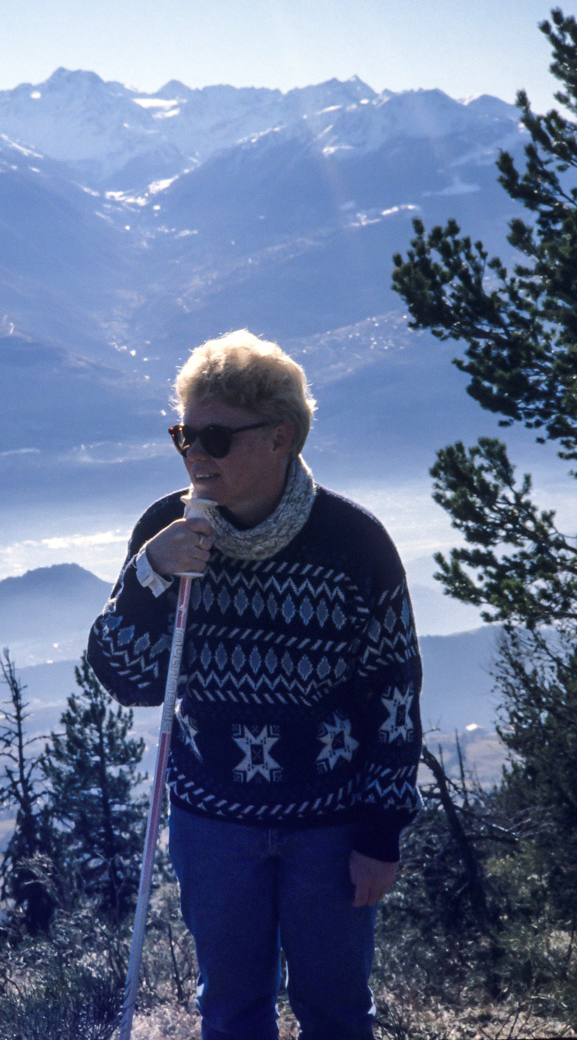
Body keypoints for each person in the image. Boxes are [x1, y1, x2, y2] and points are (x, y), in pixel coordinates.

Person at [87, 330, 422, 1040]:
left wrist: (381, 833)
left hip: (330, 827)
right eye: (183, 435)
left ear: (280, 439)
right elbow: (126, 680)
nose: (194, 455)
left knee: (336, 1013)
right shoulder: (168, 531)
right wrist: (149, 575)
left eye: (214, 437)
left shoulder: (355, 544)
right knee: (232, 1013)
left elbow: (393, 697)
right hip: (214, 823)